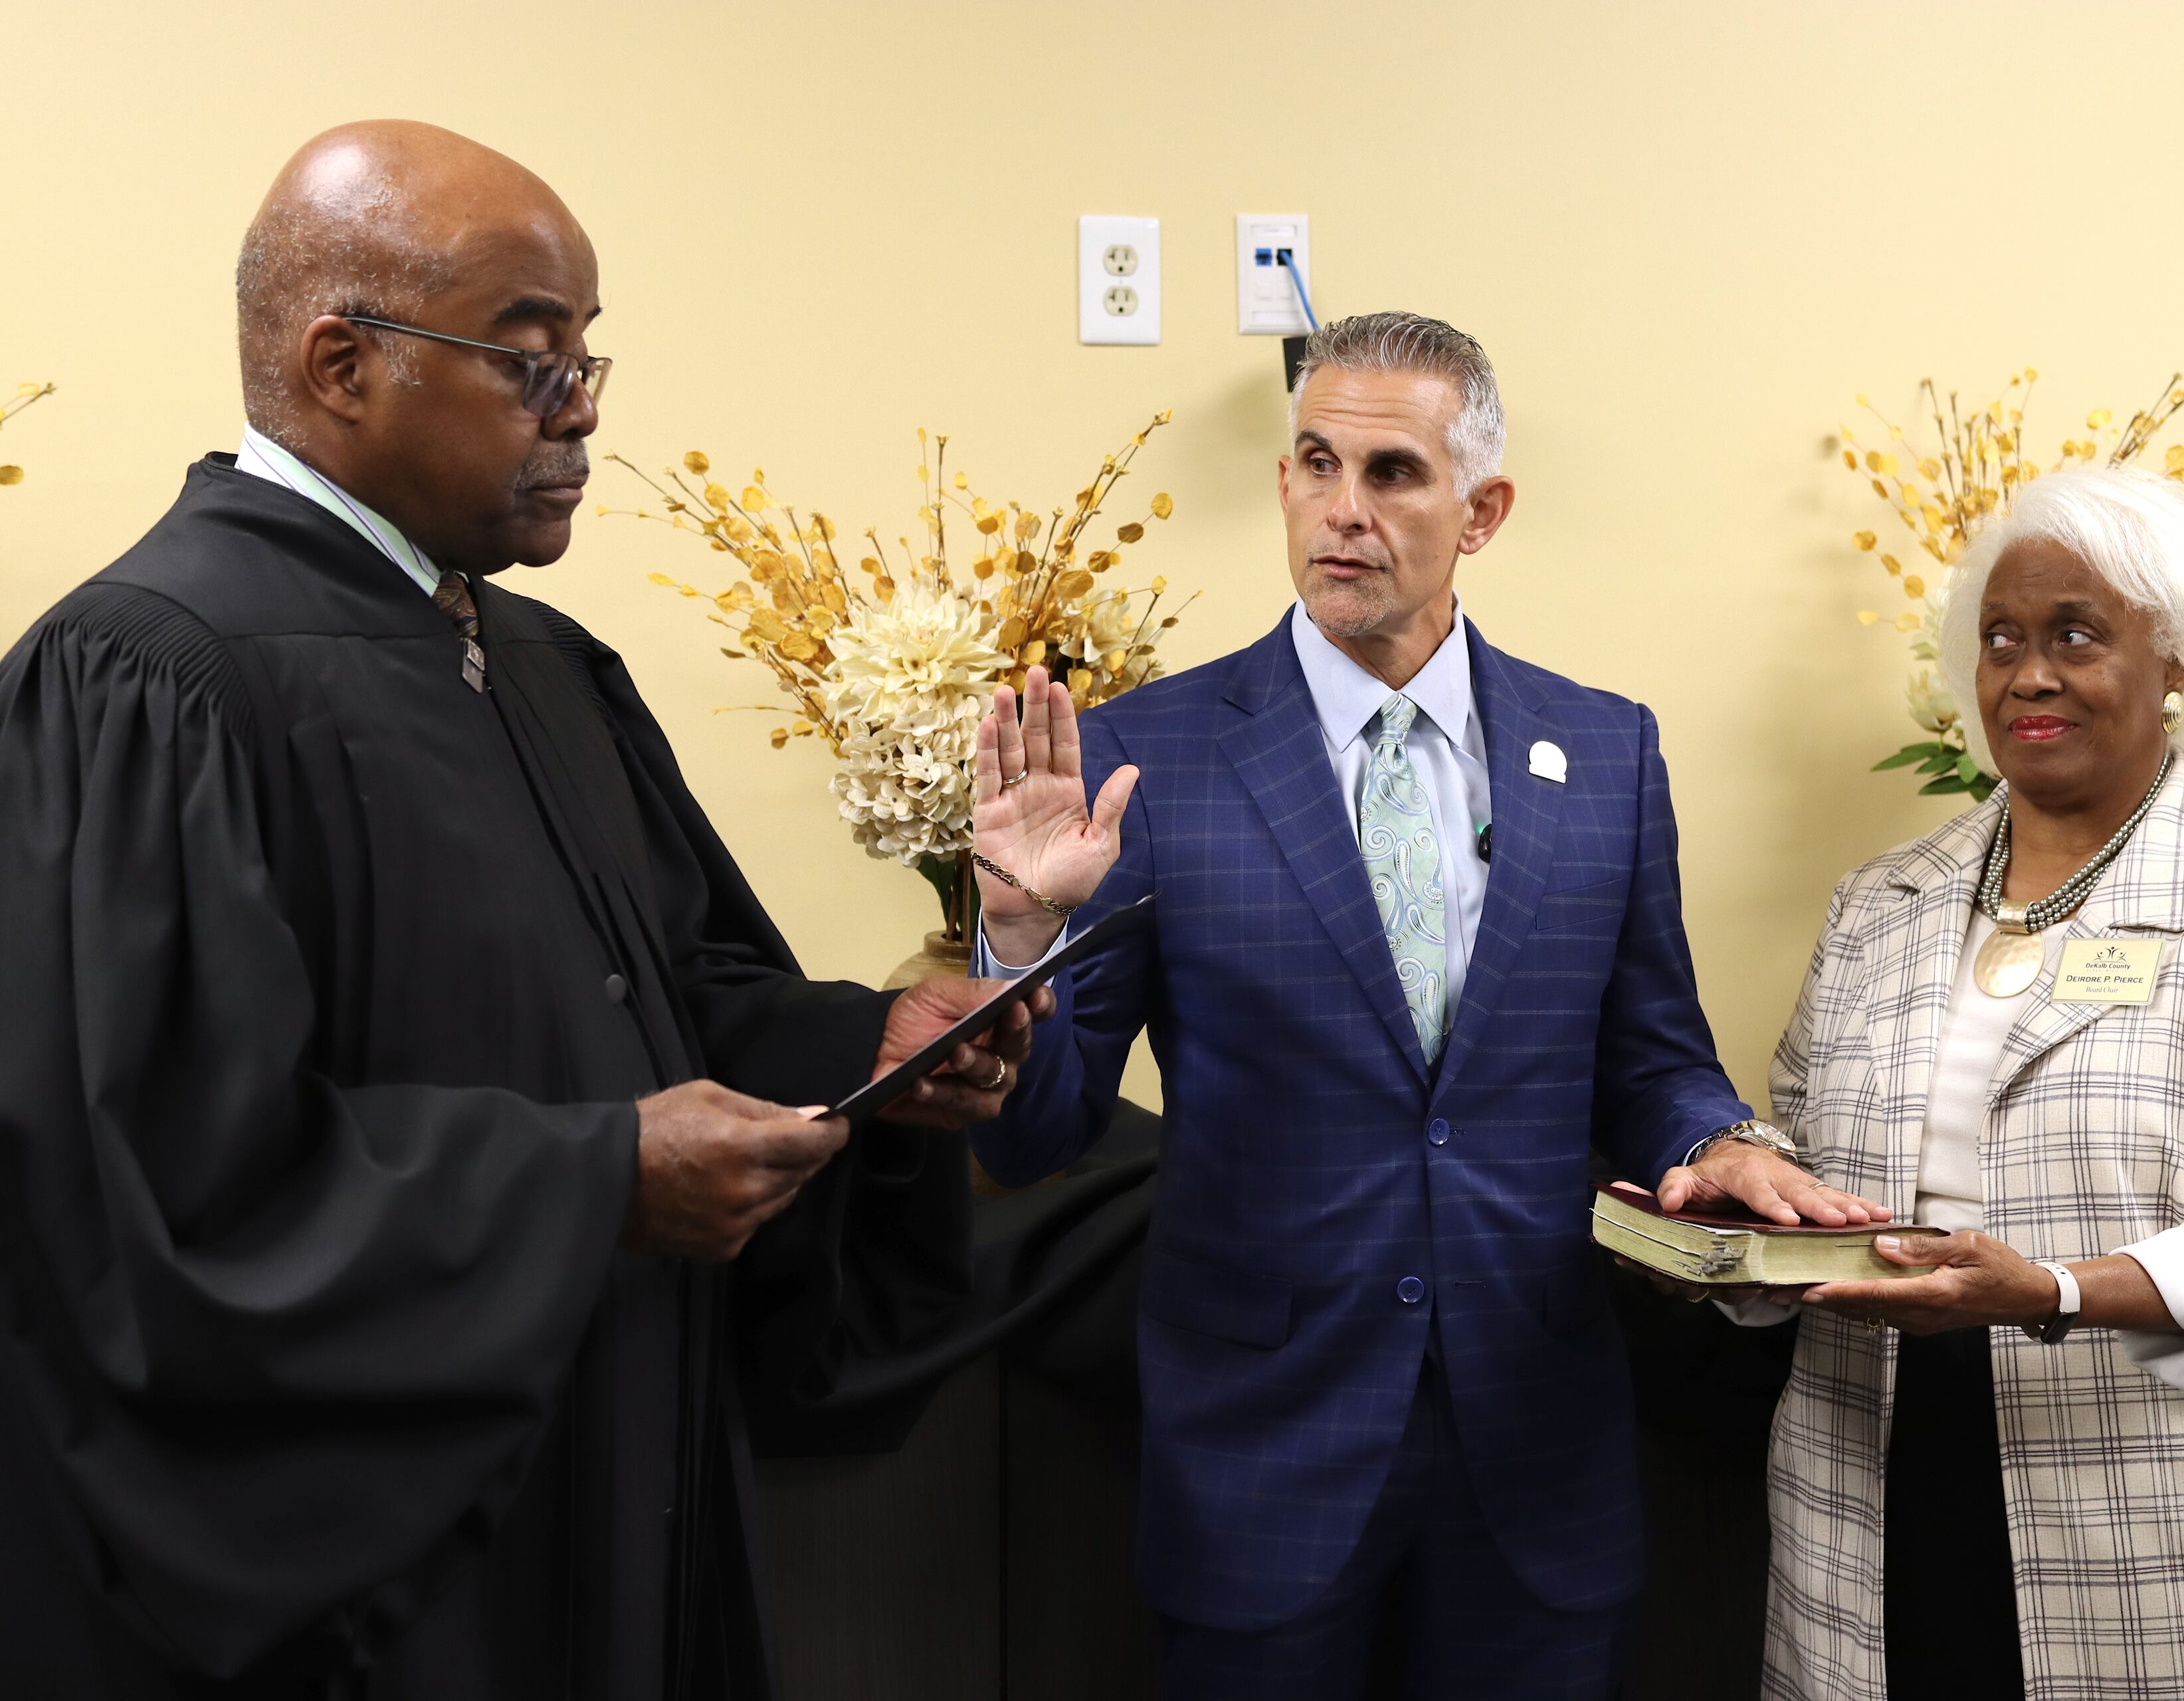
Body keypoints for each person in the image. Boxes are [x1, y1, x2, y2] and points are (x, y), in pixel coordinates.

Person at [0, 121, 1044, 1698]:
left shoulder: (548, 666)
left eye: (592, 356)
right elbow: (137, 1187)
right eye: (529, 359)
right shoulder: (153, 678)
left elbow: (675, 984)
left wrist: (872, 1046)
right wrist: (593, 1182)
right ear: (341, 363)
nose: (586, 413)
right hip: (385, 1587)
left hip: (625, 1456)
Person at [960, 312, 1884, 1700]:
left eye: (1391, 472)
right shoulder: (1144, 760)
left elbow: (1652, 1057)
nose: (1342, 509)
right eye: (1315, 462)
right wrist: (1020, 938)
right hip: (1262, 1463)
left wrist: (1718, 1144)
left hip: (1536, 1455)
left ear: (1483, 508)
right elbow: (1035, 1133)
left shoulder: (1608, 752)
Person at [1753, 466, 2184, 1699]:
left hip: (2182, 1516)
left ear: (2176, 662)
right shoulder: (1876, 907)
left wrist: (2047, 1290)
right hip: (1876, 1485)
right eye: (2003, 639)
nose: (2030, 673)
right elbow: (1797, 1137)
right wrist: (1736, 1210)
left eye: (2075, 635)